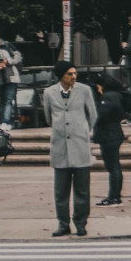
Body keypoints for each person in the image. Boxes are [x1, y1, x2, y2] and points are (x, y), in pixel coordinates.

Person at [43, 61, 97, 237]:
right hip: (60, 146)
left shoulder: (84, 91)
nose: (74, 76)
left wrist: (83, 132)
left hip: (80, 145)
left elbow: (92, 115)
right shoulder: (49, 93)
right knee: (61, 191)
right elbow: (48, 117)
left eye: (75, 73)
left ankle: (81, 223)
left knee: (82, 189)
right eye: (69, 74)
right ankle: (63, 223)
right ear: (61, 76)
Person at [94, 74, 129, 207]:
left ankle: (113, 196)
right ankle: (115, 195)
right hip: (115, 132)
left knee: (112, 167)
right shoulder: (118, 94)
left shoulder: (108, 96)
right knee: (115, 166)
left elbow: (102, 114)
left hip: (109, 134)